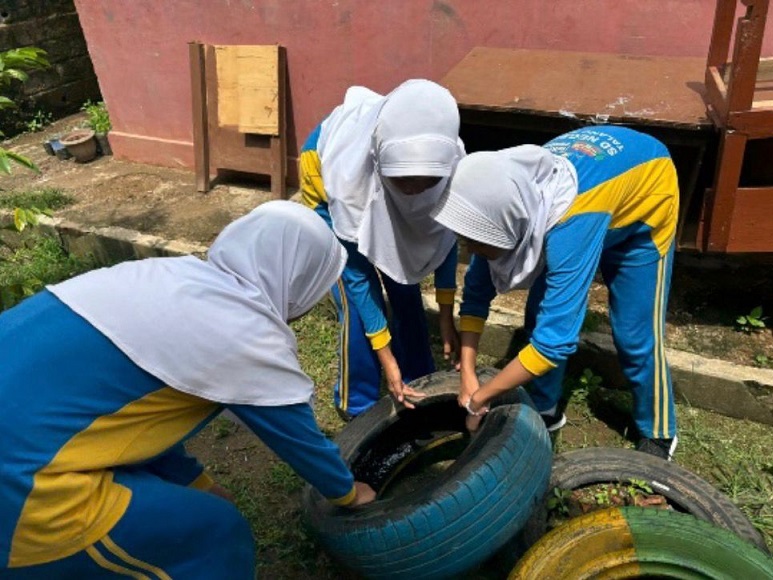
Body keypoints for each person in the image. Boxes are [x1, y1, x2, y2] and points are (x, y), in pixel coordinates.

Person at [0, 201, 375, 579]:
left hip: (23, 435)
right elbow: (301, 441)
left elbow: (136, 419)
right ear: (299, 279)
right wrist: (348, 493)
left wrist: (194, 483)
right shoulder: (245, 333)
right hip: (23, 489)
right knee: (214, 534)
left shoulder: (170, 277)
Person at [431, 125, 679, 460]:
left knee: (636, 333)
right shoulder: (508, 202)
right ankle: (545, 409)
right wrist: (468, 374)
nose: (469, 248)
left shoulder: (567, 230)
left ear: (510, 228)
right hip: (591, 200)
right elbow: (476, 295)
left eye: (476, 240)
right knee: (538, 315)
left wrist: (480, 399)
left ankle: (659, 431)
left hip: (646, 199)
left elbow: (555, 342)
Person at [299, 79, 465, 419]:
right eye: (405, 182)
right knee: (359, 308)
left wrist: (447, 314)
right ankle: (355, 402)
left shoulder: (453, 167)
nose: (416, 192)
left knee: (406, 288)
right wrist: (386, 357)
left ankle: (420, 380)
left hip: (378, 178)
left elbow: (444, 238)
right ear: (380, 165)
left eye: (427, 183)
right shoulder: (348, 186)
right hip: (328, 182)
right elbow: (356, 275)